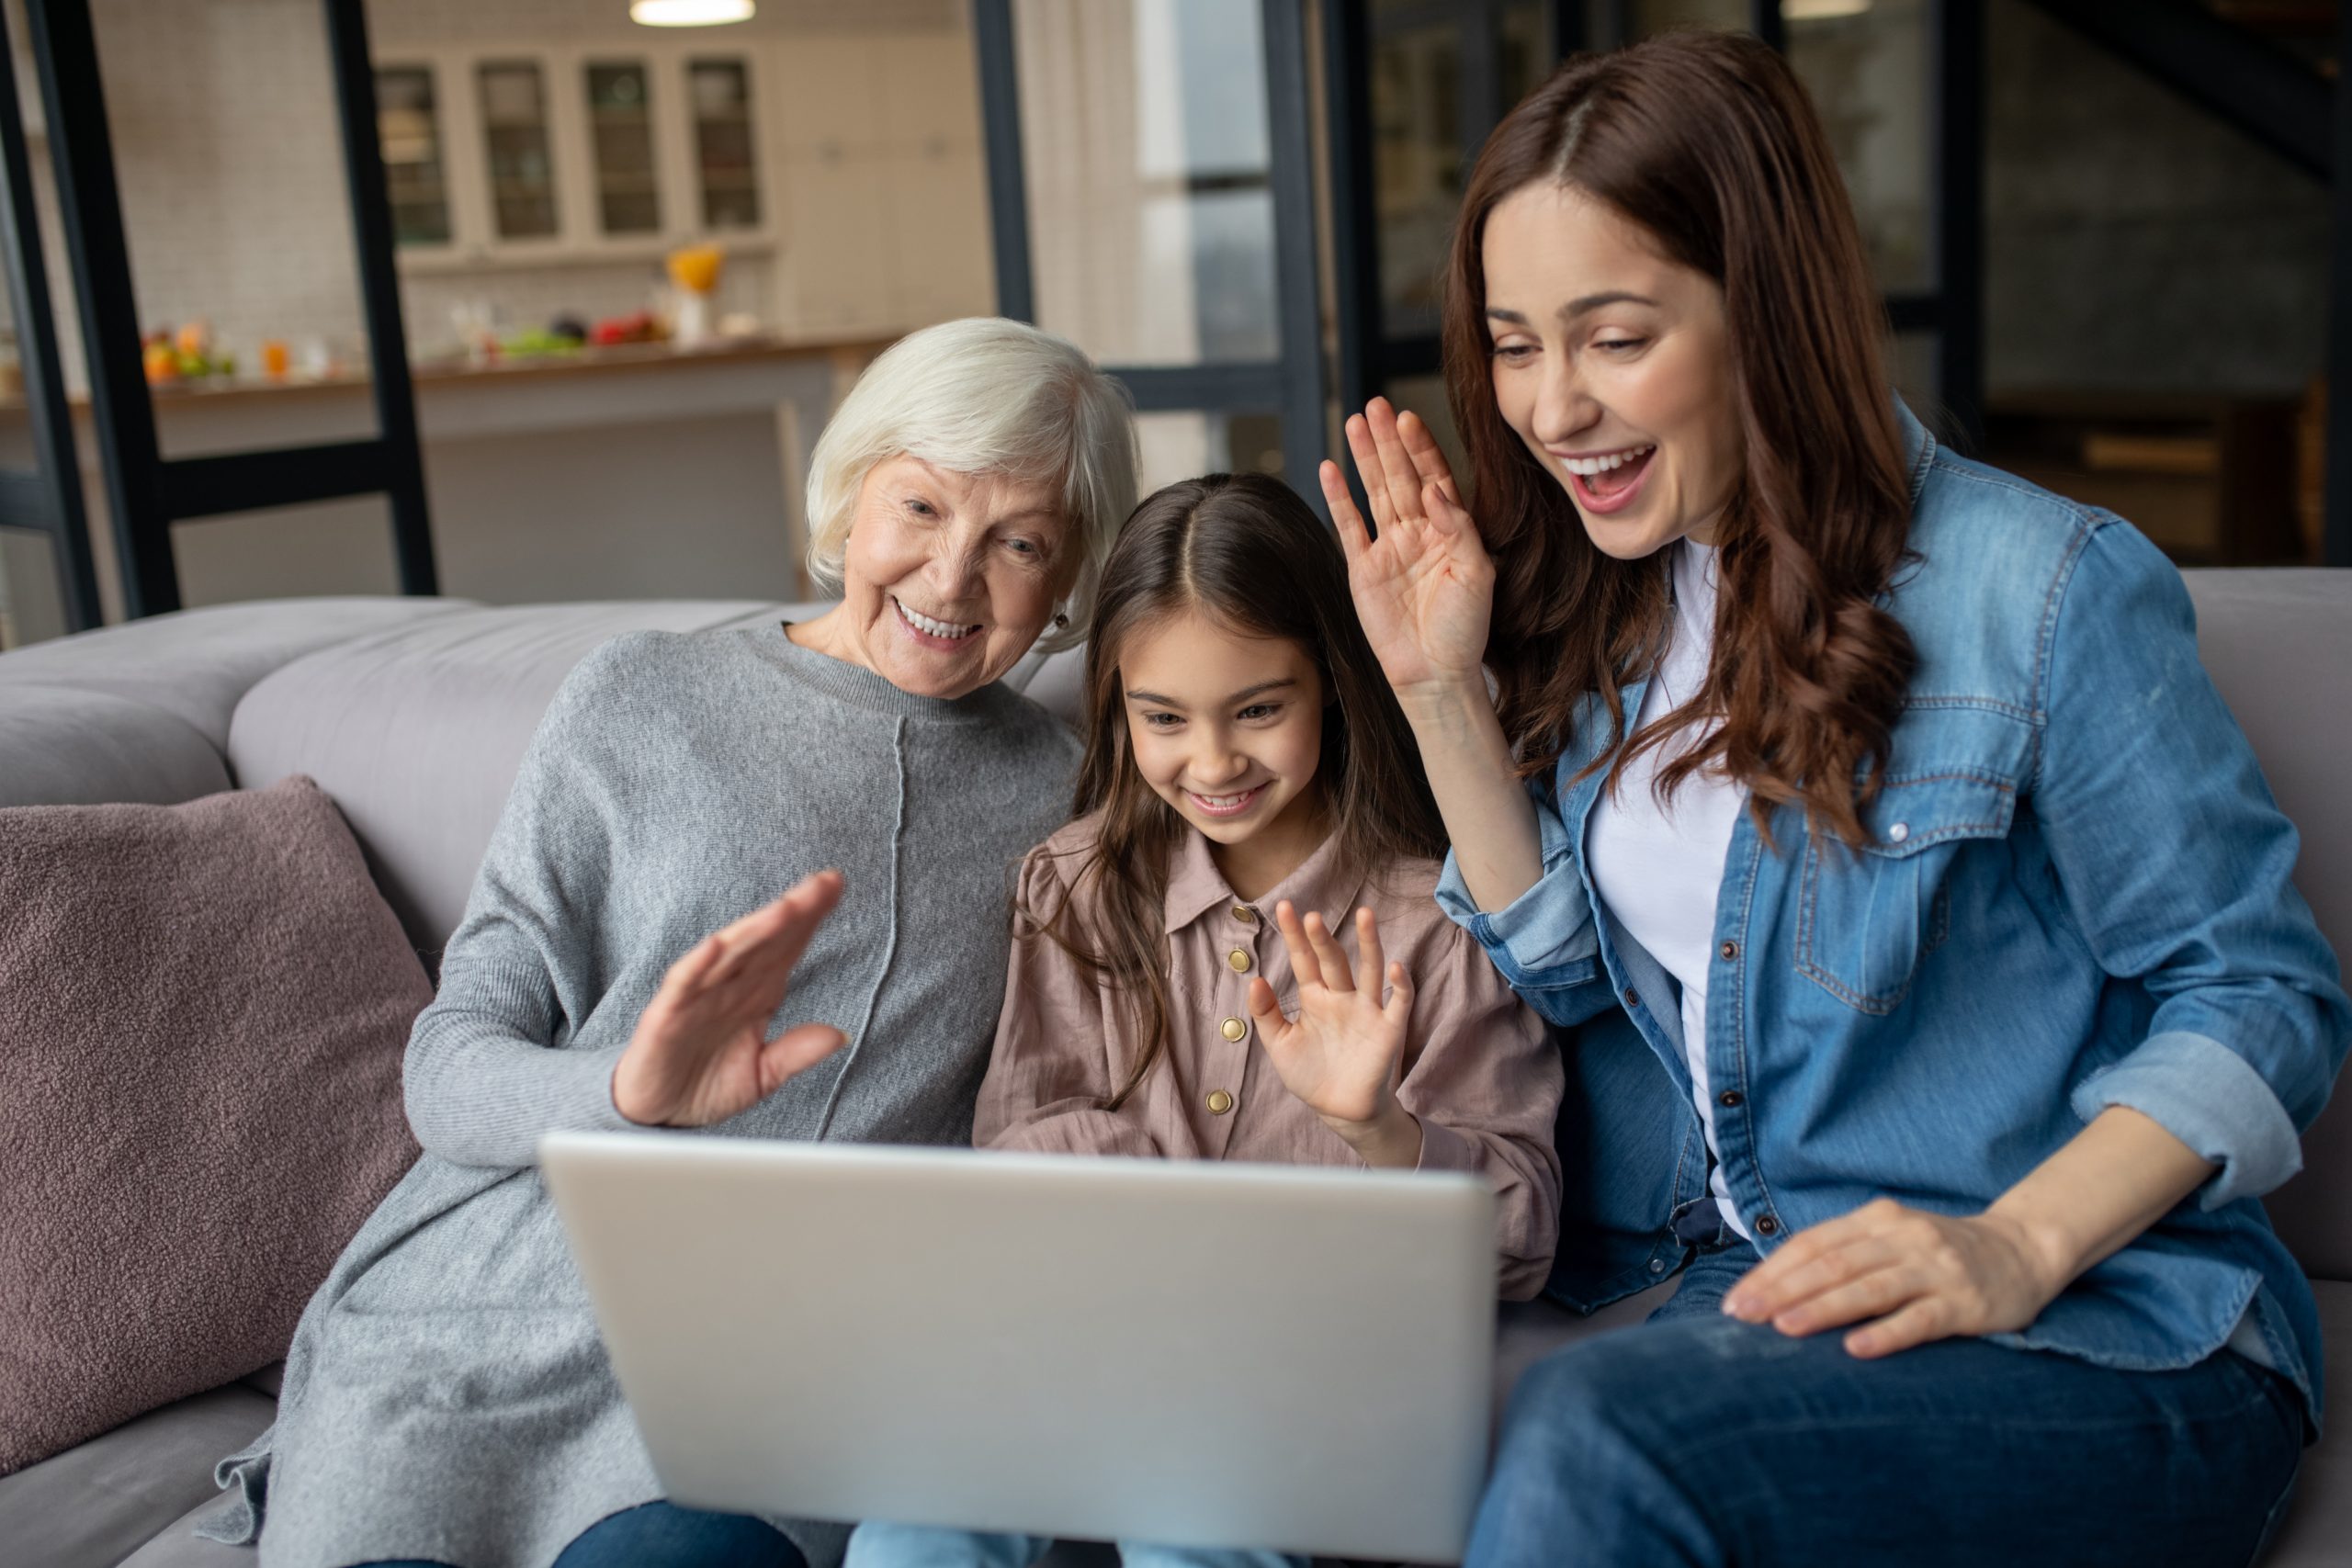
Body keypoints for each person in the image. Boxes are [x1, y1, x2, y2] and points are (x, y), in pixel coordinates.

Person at [1320, 30, 2350, 1568]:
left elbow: (2263, 995)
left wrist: (2014, 1242)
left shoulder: (2045, 589)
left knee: (1590, 1438)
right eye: (1513, 343)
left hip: (2108, 1335)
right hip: (1763, 1306)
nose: (1548, 408)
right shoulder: (1615, 609)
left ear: (1765, 311)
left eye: (1613, 337)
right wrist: (1436, 688)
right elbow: (1574, 984)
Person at [197, 317, 1139, 1568]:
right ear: (852, 493)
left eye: (1018, 542)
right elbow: (445, 1064)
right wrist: (626, 1089)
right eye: (918, 504)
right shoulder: (641, 695)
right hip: (489, 1305)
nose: (953, 577)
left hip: (770, 1366)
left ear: (1069, 578)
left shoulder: (1069, 805)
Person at [843, 472, 1564, 1568]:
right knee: (914, 1518)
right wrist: (1161, 1215)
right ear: (1116, 707)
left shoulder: (1438, 916)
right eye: (1163, 719)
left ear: (1331, 681)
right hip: (1096, 1332)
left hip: (1312, 1374)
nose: (1214, 763)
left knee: (1191, 1526)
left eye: (1260, 709)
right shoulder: (1075, 884)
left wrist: (1379, 1130)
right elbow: (1020, 1141)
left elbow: (1522, 1241)